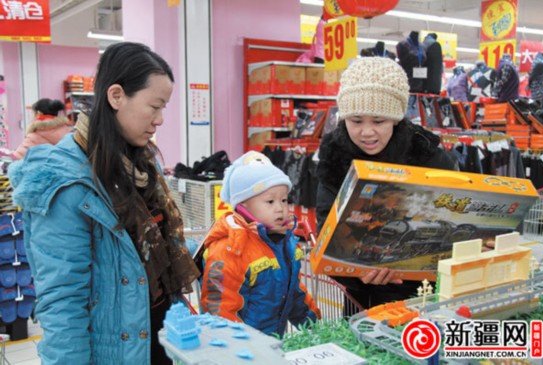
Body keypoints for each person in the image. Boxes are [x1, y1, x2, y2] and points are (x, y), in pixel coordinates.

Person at [8, 42, 200, 365]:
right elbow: (63, 302)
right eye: (154, 106)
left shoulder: (138, 165)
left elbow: (141, 255)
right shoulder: (66, 183)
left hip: (157, 341)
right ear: (116, 96)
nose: (161, 118)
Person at [316, 57, 458, 315]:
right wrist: (356, 275)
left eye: (378, 121)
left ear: (395, 118)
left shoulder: (429, 157)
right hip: (362, 300)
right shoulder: (335, 159)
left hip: (426, 297)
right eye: (356, 121)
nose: (366, 132)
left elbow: (455, 219)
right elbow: (326, 233)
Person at [200, 151, 321, 337]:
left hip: (272, 343)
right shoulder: (230, 248)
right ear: (243, 206)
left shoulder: (285, 243)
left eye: (284, 200)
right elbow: (220, 308)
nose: (280, 208)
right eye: (270, 201)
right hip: (243, 351)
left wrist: (315, 327)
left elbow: (294, 292)